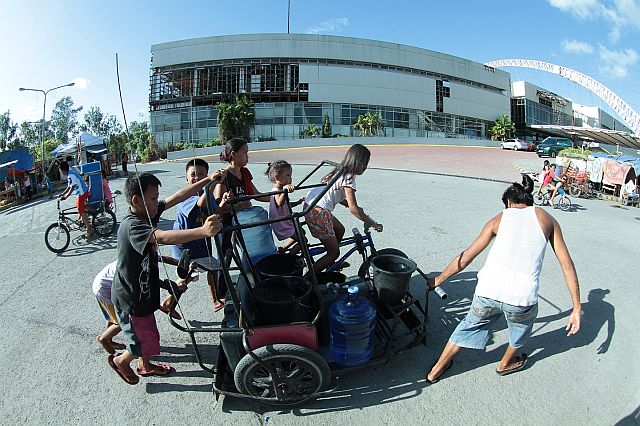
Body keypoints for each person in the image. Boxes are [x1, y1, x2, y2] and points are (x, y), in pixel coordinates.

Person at [424, 175, 581, 383]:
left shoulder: (500, 218)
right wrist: (576, 308)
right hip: (521, 299)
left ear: (508, 202)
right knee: (521, 330)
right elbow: (567, 265)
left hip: (488, 291)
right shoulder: (546, 218)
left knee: (467, 326)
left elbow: (467, 256)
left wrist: (438, 280)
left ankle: (436, 370)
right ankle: (505, 364)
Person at [108, 172, 223, 385]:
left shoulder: (147, 213)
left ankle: (145, 365)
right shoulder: (134, 225)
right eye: (153, 198)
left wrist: (208, 180)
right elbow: (161, 237)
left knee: (145, 333)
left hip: (142, 292)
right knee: (145, 339)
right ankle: (121, 361)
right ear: (136, 201)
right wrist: (203, 231)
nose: (157, 202)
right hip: (131, 297)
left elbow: (178, 197)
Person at [304, 144, 383, 274]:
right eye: (365, 163)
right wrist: (373, 223)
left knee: (340, 229)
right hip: (318, 212)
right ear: (359, 162)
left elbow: (335, 192)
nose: (365, 167)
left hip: (312, 205)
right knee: (334, 252)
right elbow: (354, 209)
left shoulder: (339, 170)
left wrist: (346, 203)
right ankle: (308, 278)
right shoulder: (349, 178)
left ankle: (330, 262)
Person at [172, 158, 231, 312]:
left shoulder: (208, 195)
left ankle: (169, 302)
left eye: (202, 174)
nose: (197, 178)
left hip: (199, 244)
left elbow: (214, 210)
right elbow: (201, 204)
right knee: (211, 269)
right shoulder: (185, 197)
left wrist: (223, 202)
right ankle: (216, 300)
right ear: (186, 179)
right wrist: (211, 182)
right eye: (193, 175)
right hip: (186, 246)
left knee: (190, 276)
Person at [265, 160, 305, 253]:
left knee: (302, 232)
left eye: (290, 175)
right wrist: (285, 191)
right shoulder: (277, 190)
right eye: (288, 175)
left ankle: (283, 248)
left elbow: (286, 205)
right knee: (303, 241)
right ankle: (289, 258)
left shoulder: (281, 190)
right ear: (277, 177)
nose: (290, 178)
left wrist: (298, 202)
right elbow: (280, 203)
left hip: (286, 222)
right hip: (282, 224)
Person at [58, 161, 93, 238]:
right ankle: (85, 218)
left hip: (82, 192)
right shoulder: (69, 174)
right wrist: (62, 194)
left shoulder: (71, 175)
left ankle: (89, 229)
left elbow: (72, 188)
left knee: (81, 210)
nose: (61, 172)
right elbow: (68, 187)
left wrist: (66, 197)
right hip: (80, 192)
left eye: (60, 170)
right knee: (79, 206)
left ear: (63, 170)